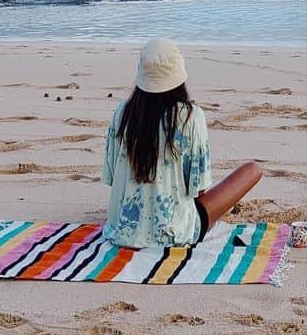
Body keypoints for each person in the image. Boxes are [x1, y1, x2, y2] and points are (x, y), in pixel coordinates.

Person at [102, 39, 262, 247]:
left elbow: (113, 178)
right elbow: (199, 189)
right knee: (253, 169)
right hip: (174, 233)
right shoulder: (191, 117)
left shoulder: (122, 113)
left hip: (121, 230)